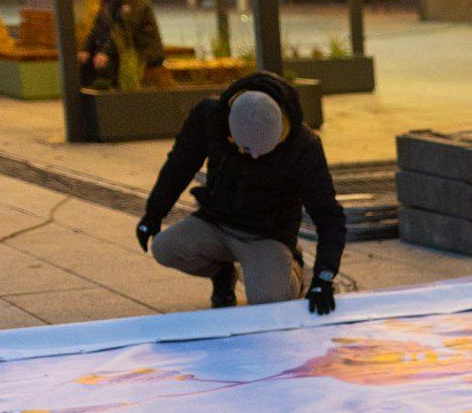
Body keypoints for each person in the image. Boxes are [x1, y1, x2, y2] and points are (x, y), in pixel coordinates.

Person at [137, 71, 345, 315]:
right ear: (230, 131)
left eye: (265, 149)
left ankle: (294, 269)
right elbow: (180, 166)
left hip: (267, 234)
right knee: (164, 248)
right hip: (216, 221)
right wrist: (153, 214)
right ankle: (222, 273)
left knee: (269, 302)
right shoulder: (210, 117)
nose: (255, 156)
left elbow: (328, 215)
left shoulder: (304, 146)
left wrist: (323, 277)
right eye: (246, 149)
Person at [80, 0, 165, 87]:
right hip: (121, 52)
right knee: (83, 65)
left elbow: (124, 28)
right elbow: (99, 26)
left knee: (99, 68)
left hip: (140, 54)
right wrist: (87, 48)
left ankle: (100, 104)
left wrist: (105, 53)